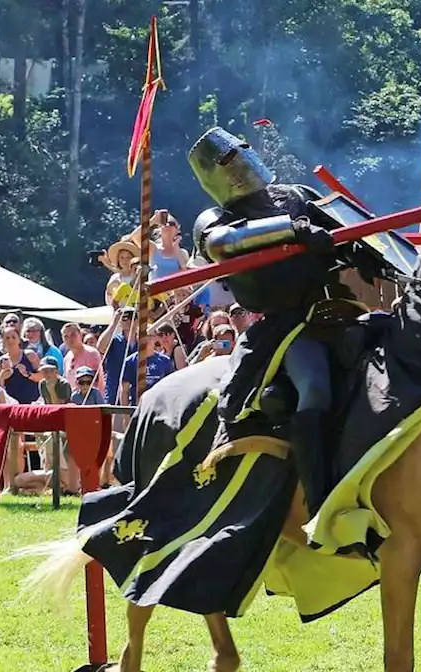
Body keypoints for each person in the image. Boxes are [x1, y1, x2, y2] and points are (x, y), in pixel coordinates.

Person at [188, 126, 348, 517]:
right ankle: (320, 501)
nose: (238, 159)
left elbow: (344, 223)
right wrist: (292, 230)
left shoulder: (294, 195)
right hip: (286, 325)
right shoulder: (216, 218)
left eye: (239, 150)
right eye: (226, 159)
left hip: (338, 308)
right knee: (315, 387)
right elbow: (221, 244)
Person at [118, 331, 175, 406]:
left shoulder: (165, 361)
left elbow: (170, 387)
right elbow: (124, 390)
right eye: (143, 337)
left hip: (159, 407)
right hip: (137, 407)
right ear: (138, 338)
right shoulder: (130, 361)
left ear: (155, 338)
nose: (147, 340)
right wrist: (126, 415)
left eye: (150, 336)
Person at [97, 307, 138, 407]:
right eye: (124, 318)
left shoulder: (142, 341)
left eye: (132, 317)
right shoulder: (115, 341)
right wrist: (114, 323)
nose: (128, 321)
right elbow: (101, 347)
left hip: (136, 394)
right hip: (114, 394)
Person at [0, 327, 40, 404]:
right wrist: (2, 377)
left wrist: (28, 374)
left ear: (19, 339)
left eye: (13, 337)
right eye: (7, 338)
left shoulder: (30, 355)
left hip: (31, 404)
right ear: (3, 341)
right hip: (10, 405)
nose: (10, 340)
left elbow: (42, 377)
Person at [61, 322, 103, 396]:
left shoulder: (91, 353)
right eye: (66, 336)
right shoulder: (67, 358)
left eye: (73, 335)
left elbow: (95, 382)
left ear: (80, 335)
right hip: (74, 402)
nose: (70, 339)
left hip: (92, 401)